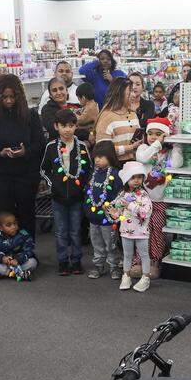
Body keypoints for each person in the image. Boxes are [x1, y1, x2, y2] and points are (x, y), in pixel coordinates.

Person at [0, 74, 46, 237]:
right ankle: (7, 252)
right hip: (1, 174)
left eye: (12, 97)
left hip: (26, 174)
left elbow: (39, 144)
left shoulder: (30, 115)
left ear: (19, 96)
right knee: (4, 214)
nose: (8, 101)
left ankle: (27, 251)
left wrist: (25, 151)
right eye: (4, 97)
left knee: (26, 213)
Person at [39, 109, 90, 276]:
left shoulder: (81, 146)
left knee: (75, 230)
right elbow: (44, 169)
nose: (67, 130)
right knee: (61, 231)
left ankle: (76, 261)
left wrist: (82, 187)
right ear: (56, 126)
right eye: (63, 126)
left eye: (71, 126)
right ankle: (62, 261)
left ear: (76, 126)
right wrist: (53, 184)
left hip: (76, 198)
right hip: (58, 198)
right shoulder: (51, 146)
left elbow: (88, 169)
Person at [135, 117, 179, 279]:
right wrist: (157, 143)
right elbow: (143, 158)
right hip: (143, 200)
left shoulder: (168, 153)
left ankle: (155, 262)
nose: (153, 137)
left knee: (157, 232)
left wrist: (176, 145)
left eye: (158, 134)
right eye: (150, 133)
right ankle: (139, 261)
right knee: (141, 231)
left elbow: (176, 163)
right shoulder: (143, 148)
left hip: (161, 201)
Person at [112, 161, 153, 293]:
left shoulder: (144, 195)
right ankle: (126, 276)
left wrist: (129, 206)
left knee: (144, 255)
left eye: (139, 177)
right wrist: (113, 212)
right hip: (125, 231)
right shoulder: (122, 194)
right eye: (133, 177)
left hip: (141, 232)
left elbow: (145, 212)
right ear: (126, 179)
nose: (136, 180)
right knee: (127, 255)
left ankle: (146, 278)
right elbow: (117, 210)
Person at [84, 141, 122, 280]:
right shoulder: (93, 174)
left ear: (110, 157)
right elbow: (88, 193)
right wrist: (87, 210)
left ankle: (114, 266)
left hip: (108, 219)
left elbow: (119, 196)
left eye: (102, 157)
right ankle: (98, 265)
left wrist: (114, 212)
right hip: (93, 218)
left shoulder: (116, 174)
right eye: (96, 157)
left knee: (111, 243)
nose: (98, 160)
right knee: (96, 243)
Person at [94, 78, 140, 163]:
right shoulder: (106, 117)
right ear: (119, 93)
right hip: (115, 168)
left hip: (134, 167)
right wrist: (130, 148)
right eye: (130, 91)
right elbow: (103, 150)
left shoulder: (133, 114)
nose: (134, 95)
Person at [0, 210, 37, 280]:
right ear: (0, 228)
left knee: (33, 262)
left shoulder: (23, 234)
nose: (13, 227)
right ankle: (18, 273)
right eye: (9, 225)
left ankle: (3, 273)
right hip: (3, 262)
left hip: (18, 262)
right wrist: (2, 258)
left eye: (15, 223)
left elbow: (29, 250)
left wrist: (18, 259)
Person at [40, 76, 73, 141]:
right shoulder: (46, 109)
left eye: (61, 89)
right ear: (50, 95)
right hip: (57, 146)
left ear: (66, 90)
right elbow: (55, 130)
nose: (58, 92)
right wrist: (85, 135)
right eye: (54, 90)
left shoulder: (76, 106)